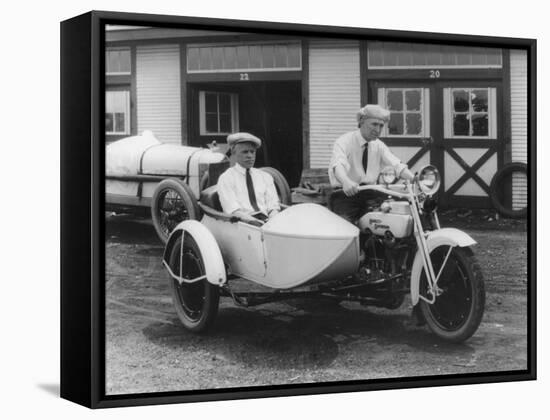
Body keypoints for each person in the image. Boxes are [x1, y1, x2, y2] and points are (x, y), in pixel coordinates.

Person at [328, 104, 415, 223]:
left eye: (381, 126)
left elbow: (396, 164)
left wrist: (415, 179)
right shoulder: (344, 141)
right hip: (345, 195)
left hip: (370, 194)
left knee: (389, 222)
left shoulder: (378, 145)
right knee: (347, 229)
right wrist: (346, 181)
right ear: (362, 122)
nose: (378, 130)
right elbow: (338, 165)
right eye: (374, 124)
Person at [217, 132, 280, 226]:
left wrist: (272, 221)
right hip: (243, 224)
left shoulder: (265, 177)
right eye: (245, 152)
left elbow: (273, 206)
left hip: (268, 223)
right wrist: (255, 223)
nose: (250, 156)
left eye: (252, 151)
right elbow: (233, 210)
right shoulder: (226, 178)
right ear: (234, 153)